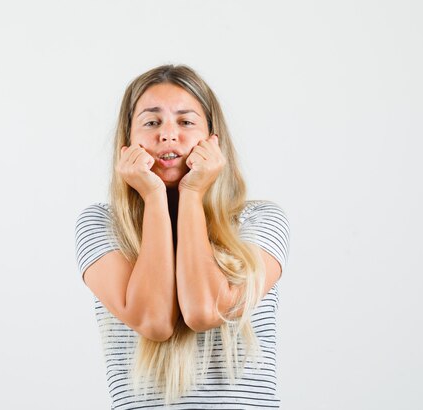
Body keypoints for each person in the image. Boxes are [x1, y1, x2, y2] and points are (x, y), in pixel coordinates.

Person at [74, 64, 290, 409]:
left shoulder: (260, 220)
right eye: (151, 121)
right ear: (128, 141)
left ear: (212, 139)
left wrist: (192, 193)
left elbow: (204, 311)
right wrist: (154, 198)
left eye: (186, 122)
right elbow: (154, 321)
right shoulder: (101, 224)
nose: (168, 135)